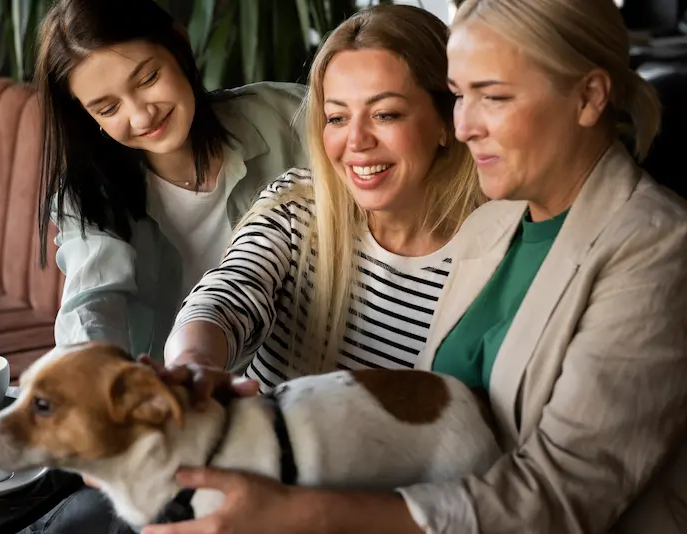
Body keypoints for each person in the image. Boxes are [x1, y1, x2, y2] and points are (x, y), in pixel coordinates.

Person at [142, 1, 687, 533]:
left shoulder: (653, 246)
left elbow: (558, 496)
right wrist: (194, 363)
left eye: (491, 97)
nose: (467, 124)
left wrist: (302, 513)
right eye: (459, 96)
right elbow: (231, 294)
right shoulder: (504, 223)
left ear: (590, 96)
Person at [162, 4, 483, 390]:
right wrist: (192, 363)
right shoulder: (297, 207)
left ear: (447, 122)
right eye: (337, 117)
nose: (356, 141)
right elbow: (228, 295)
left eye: (386, 114)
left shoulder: (496, 252)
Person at [36, 0, 308, 368]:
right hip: (178, 400)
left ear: (179, 45)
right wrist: (91, 374)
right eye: (108, 108)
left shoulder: (289, 117)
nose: (141, 115)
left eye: (148, 79)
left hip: (305, 386)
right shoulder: (89, 196)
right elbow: (92, 303)